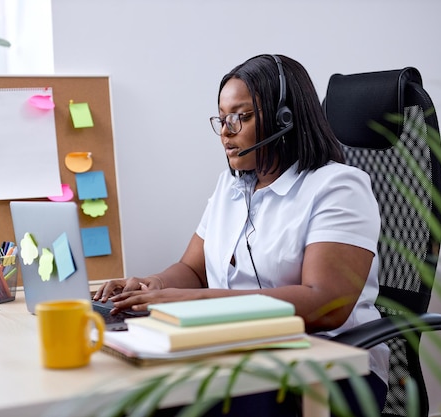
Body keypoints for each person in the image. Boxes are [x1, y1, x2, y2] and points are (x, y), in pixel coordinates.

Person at [94, 54, 389, 416]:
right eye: (222, 118)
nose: (226, 131)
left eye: (241, 116)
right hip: (243, 352)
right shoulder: (232, 186)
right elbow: (193, 269)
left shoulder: (339, 188)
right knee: (135, 393)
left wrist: (196, 304)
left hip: (327, 369)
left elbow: (326, 304)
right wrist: (151, 285)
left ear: (285, 118)